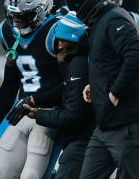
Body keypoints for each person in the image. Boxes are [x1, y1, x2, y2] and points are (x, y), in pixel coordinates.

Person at [65, 0, 139, 179]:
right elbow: (110, 62)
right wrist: (94, 85)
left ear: (83, 4)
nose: (77, 15)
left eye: (76, 9)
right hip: (106, 124)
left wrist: (112, 94)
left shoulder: (114, 17)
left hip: (128, 122)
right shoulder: (99, 20)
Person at [0, 0, 63, 179]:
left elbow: (70, 85)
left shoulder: (58, 31)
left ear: (41, 9)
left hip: (50, 115)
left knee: (31, 176)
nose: (16, 22)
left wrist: (35, 100)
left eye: (22, 16)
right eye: (12, 15)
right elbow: (10, 83)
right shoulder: (6, 31)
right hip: (22, 113)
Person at [21, 13, 96, 179]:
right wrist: (36, 100)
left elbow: (73, 116)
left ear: (77, 40)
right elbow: (66, 92)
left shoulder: (78, 66)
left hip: (81, 141)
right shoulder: (79, 62)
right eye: (58, 40)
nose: (60, 46)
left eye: (65, 40)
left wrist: (38, 114)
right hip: (84, 139)